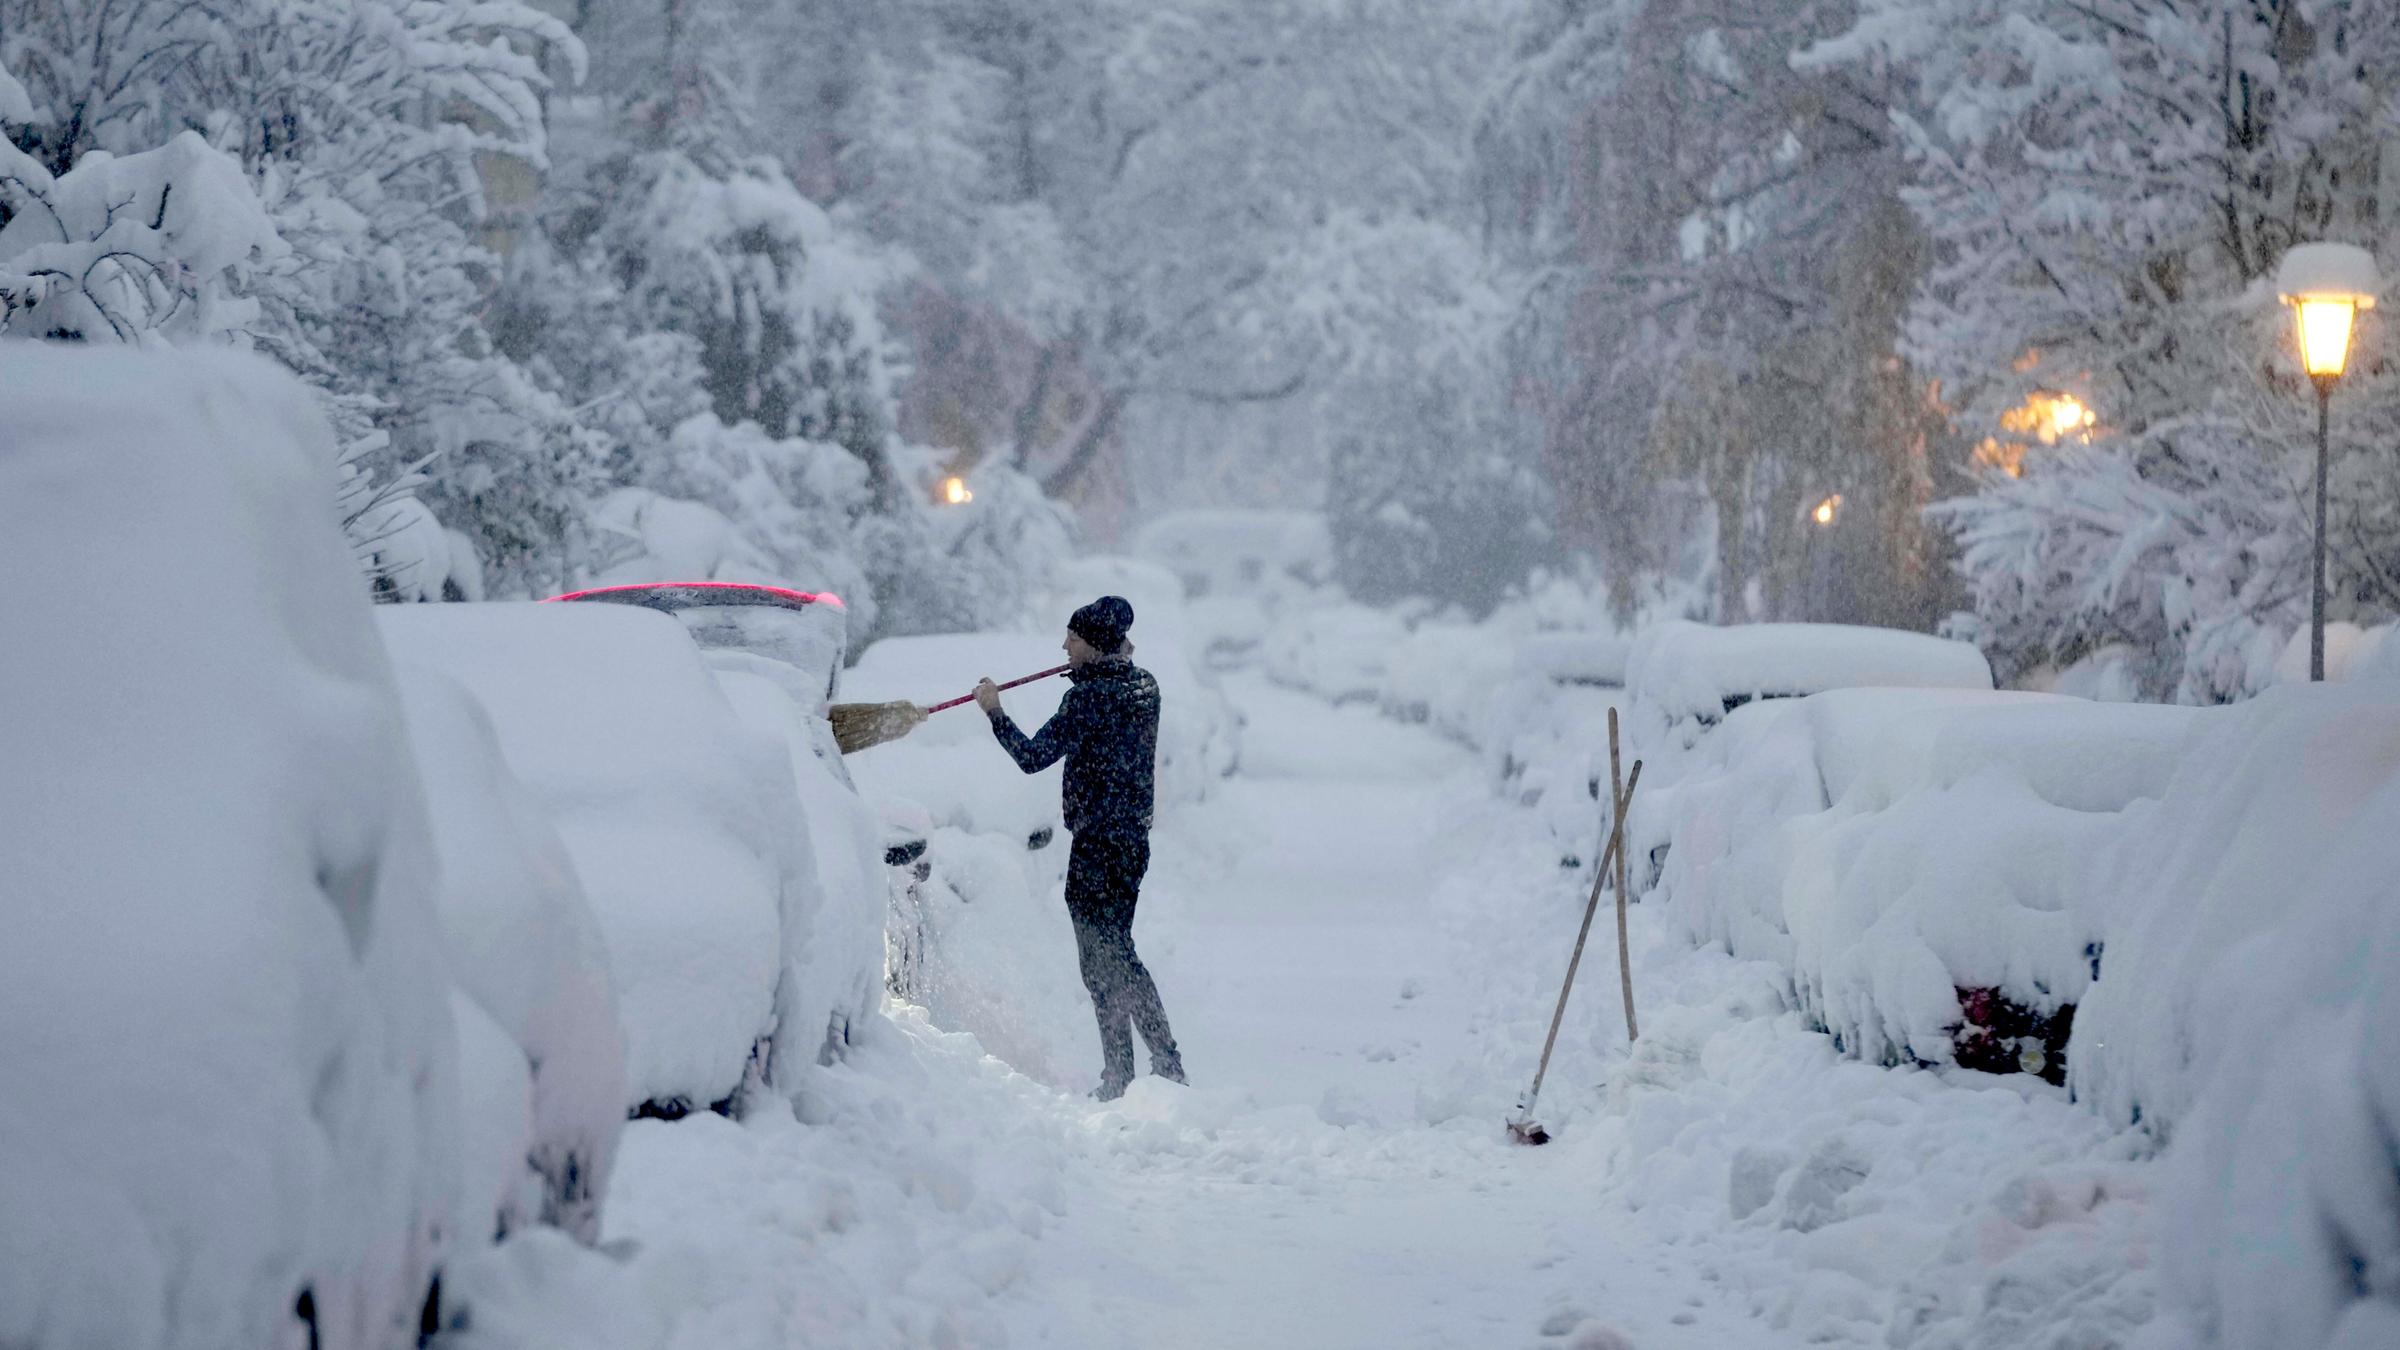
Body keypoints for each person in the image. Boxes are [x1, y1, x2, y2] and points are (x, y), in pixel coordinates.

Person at [974, 595, 1186, 1100]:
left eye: (1071, 638)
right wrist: (1084, 674)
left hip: (1095, 847)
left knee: (1102, 964)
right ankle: (1157, 1065)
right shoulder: (1142, 685)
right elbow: (1107, 706)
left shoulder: (1091, 698)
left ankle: (1127, 1074)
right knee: (1119, 952)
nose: (1062, 646)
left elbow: (1031, 756)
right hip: (1132, 841)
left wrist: (994, 710)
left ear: (1092, 643)